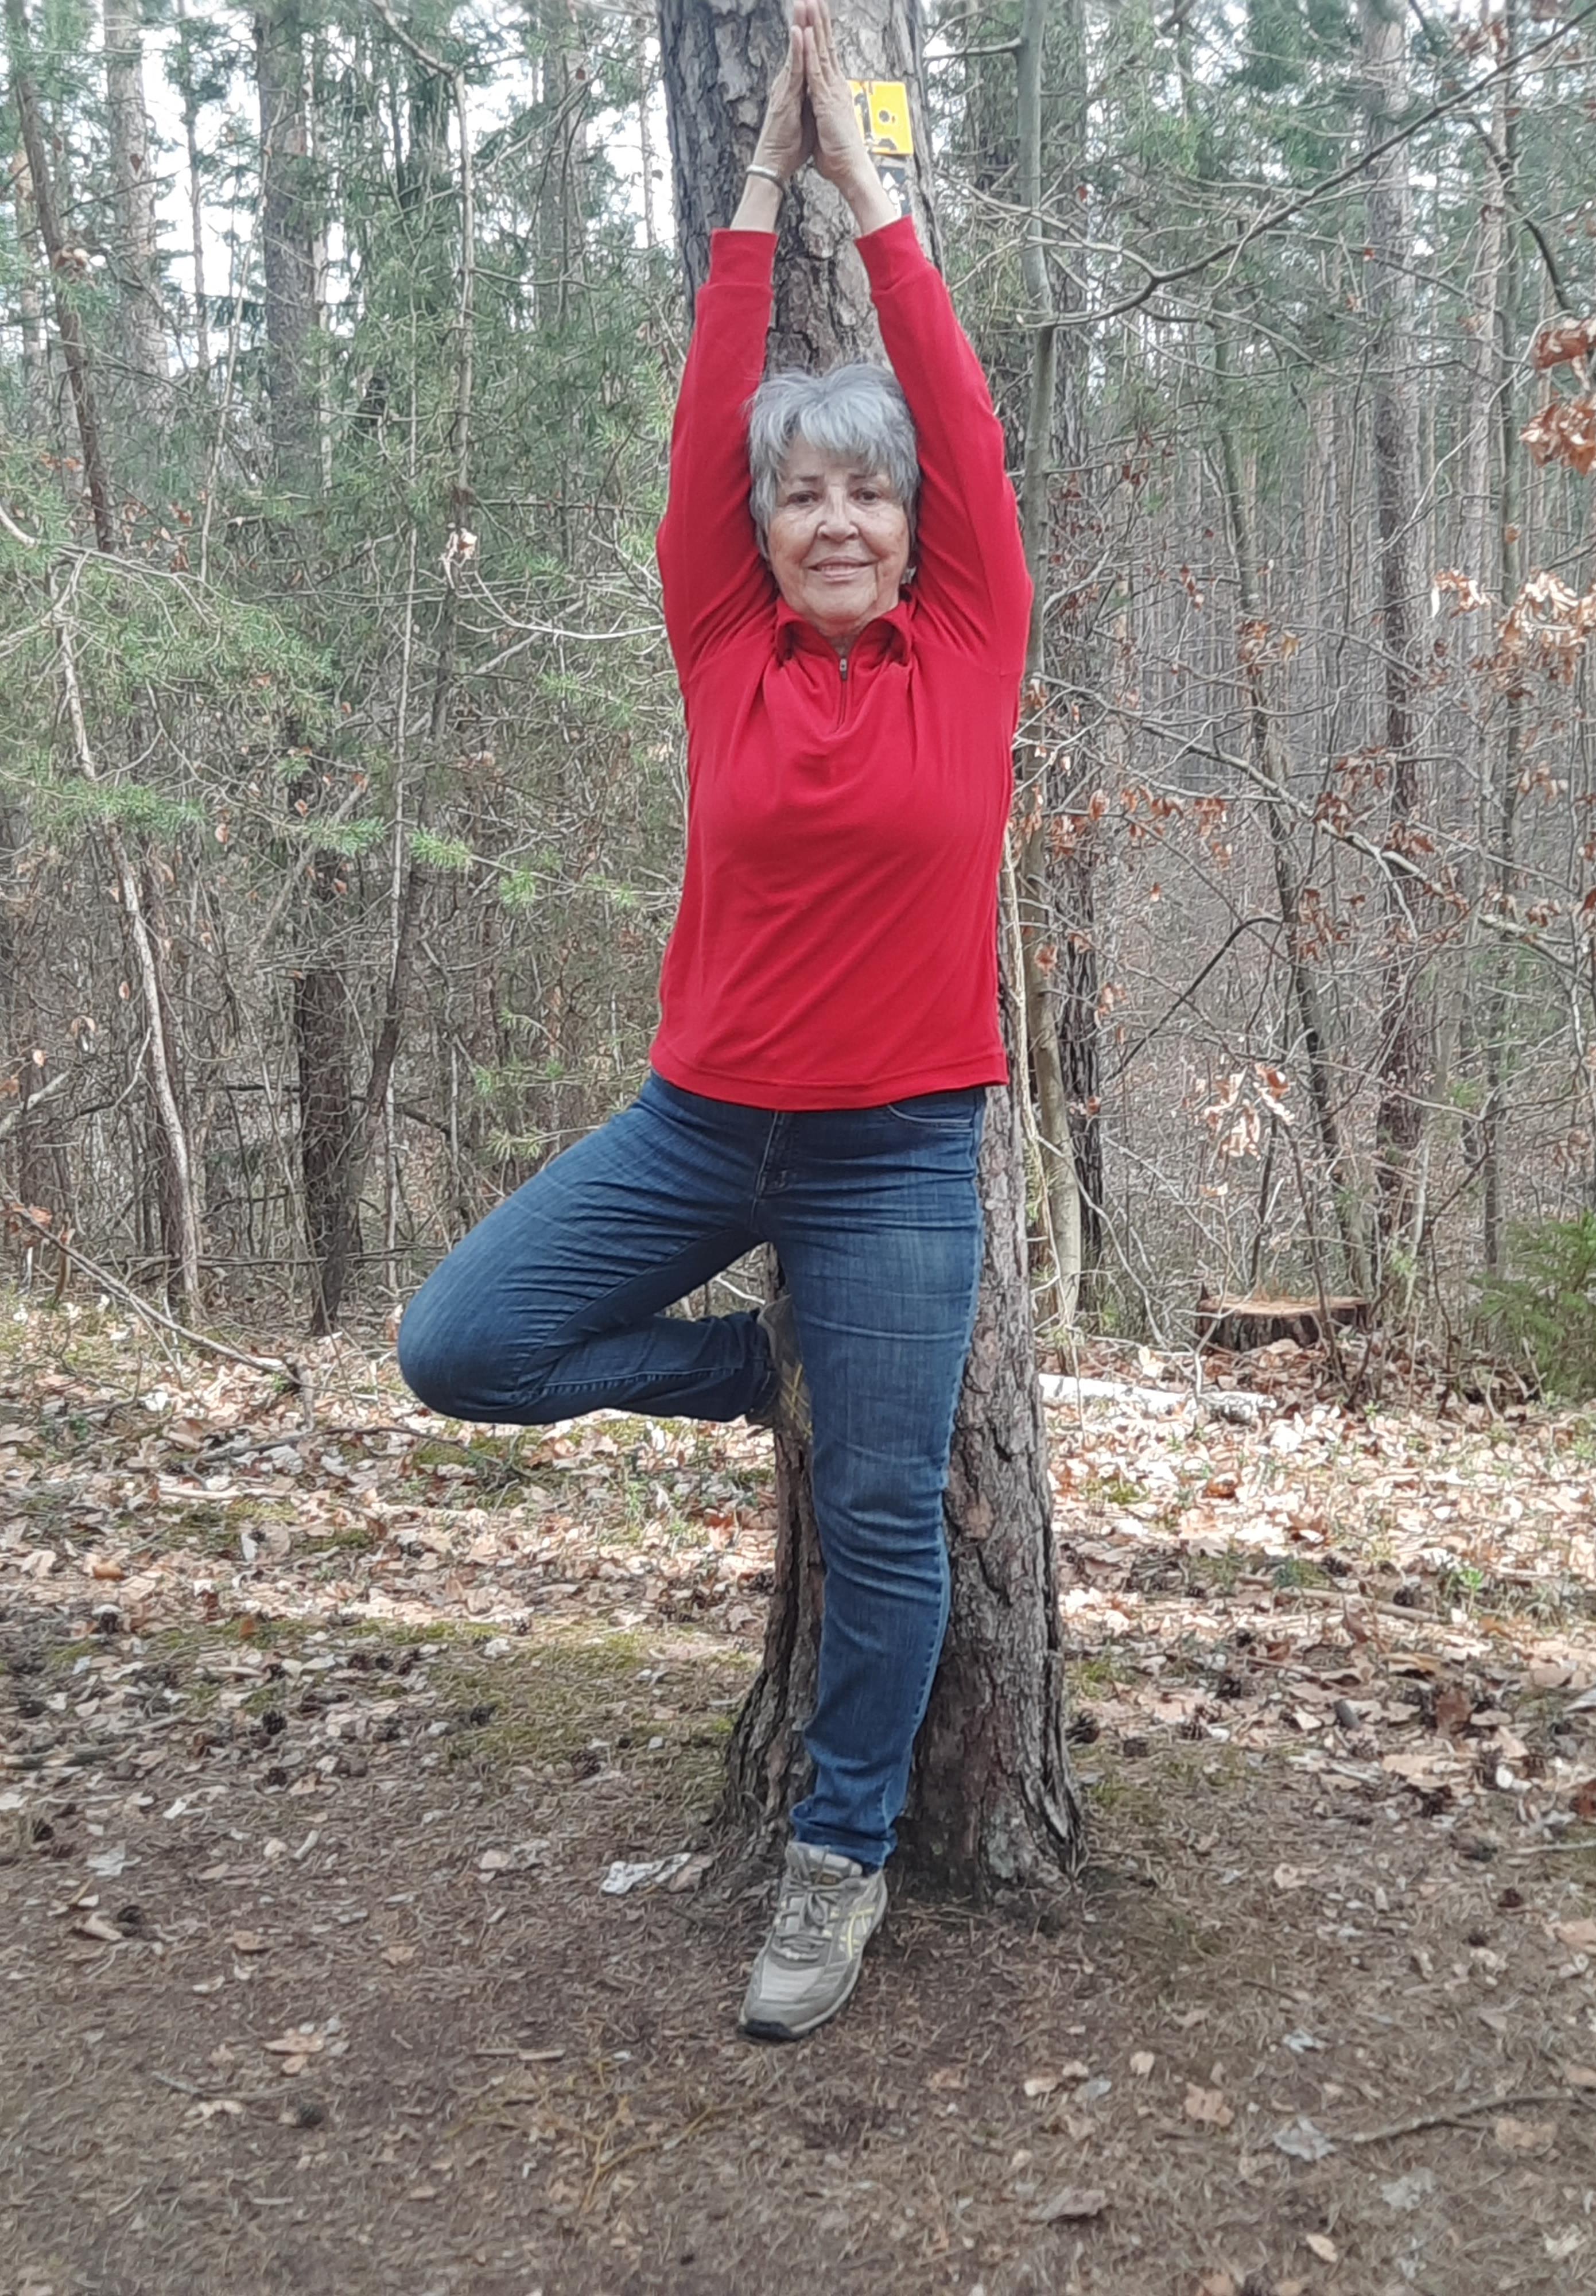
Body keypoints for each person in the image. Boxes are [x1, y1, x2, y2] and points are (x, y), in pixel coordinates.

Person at [397, 0, 1031, 2041]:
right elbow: (706, 410)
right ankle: (760, 1369)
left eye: (866, 497)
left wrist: (881, 193)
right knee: (465, 1344)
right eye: (800, 503)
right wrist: (759, 194)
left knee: (884, 1515)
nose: (836, 523)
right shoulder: (719, 644)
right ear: (758, 537)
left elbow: (953, 403)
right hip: (699, 1127)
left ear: (911, 523)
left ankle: (836, 1860)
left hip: (901, 1151)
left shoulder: (973, 636)